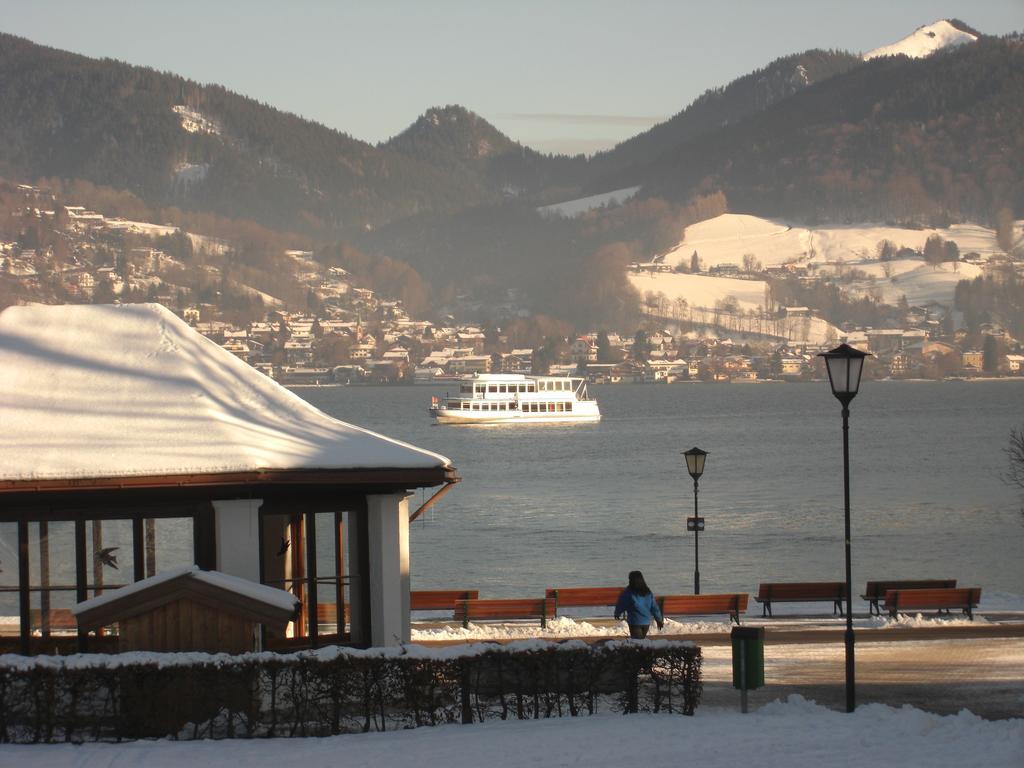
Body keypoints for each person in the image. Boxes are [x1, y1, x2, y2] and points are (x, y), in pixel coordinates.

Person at [614, 570, 664, 639]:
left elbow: (622, 603)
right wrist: (659, 620)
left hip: (634, 622)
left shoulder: (629, 592)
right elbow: (654, 607)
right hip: (646, 622)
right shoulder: (647, 592)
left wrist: (617, 613)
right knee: (642, 641)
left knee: (638, 643)